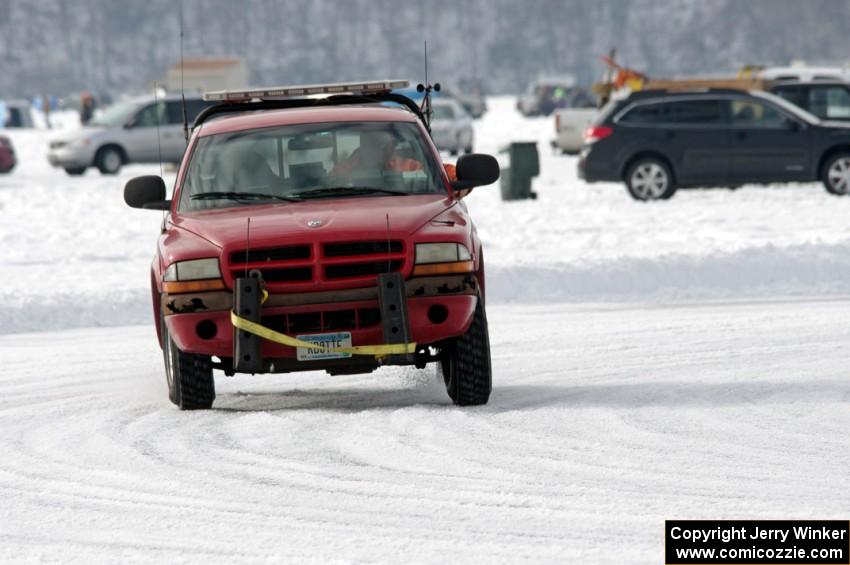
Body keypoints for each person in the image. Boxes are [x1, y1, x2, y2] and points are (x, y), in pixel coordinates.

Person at [330, 130, 423, 177]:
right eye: (372, 144)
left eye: (385, 145)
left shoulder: (412, 165)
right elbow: (328, 184)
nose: (381, 149)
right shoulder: (345, 168)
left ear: (393, 145)